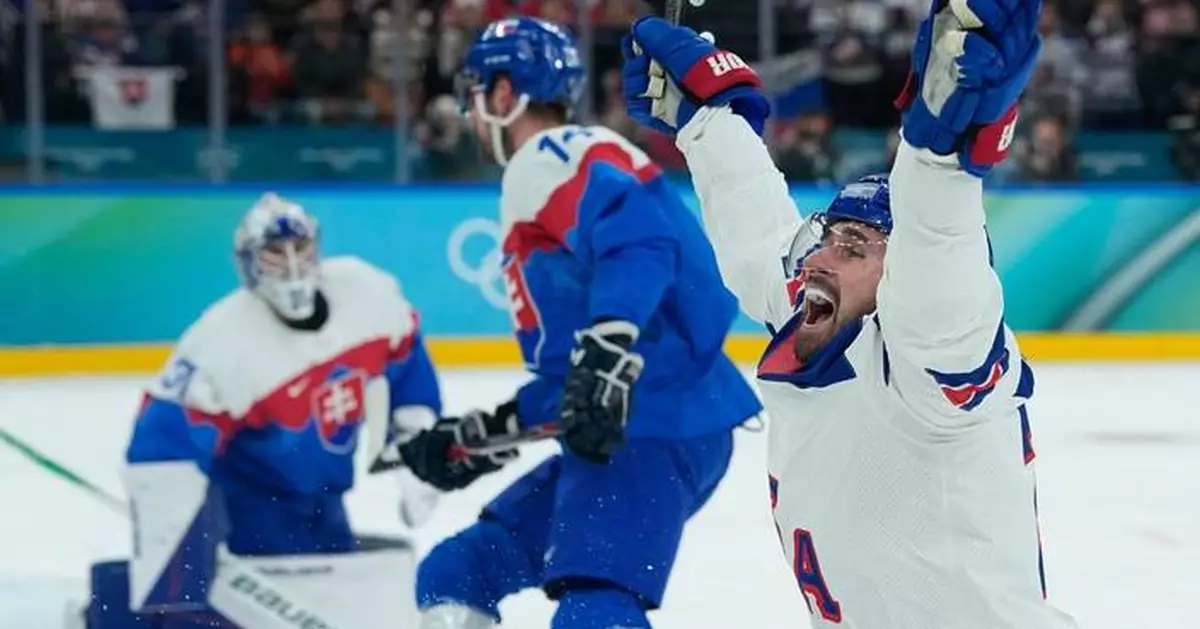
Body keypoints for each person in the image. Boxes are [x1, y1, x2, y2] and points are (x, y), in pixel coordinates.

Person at [618, 2, 1080, 627]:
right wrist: (705, 123)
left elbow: (938, 269)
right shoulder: (824, 315)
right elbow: (759, 239)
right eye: (828, 237)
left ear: (899, 282)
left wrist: (939, 163)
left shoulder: (929, 370)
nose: (819, 259)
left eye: (855, 247)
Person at [396, 16, 763, 629]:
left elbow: (640, 242)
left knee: (595, 607)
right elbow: (582, 382)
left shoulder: (547, 157)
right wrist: (481, 435)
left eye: (477, 93)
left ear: (505, 94)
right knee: (457, 571)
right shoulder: (568, 164)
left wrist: (609, 346)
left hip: (656, 422)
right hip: (641, 422)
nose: (473, 113)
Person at [83, 193, 443, 629]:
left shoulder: (365, 294)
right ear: (249, 264)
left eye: (300, 248)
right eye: (274, 254)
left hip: (324, 499)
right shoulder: (222, 343)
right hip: (249, 507)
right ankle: (110, 616)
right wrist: (178, 549)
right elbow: (161, 446)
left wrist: (414, 445)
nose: (291, 265)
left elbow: (407, 362)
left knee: (334, 603)